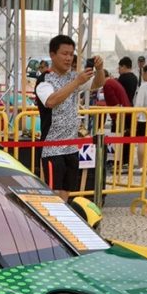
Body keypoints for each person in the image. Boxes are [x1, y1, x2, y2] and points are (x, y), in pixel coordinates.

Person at [34, 34, 105, 199]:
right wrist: (76, 82)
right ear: (52, 55)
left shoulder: (74, 76)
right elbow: (51, 101)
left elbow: (98, 84)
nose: (68, 58)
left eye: (71, 54)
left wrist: (99, 69)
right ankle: (51, 223)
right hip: (52, 147)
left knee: (66, 192)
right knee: (54, 192)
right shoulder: (45, 79)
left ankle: (63, 222)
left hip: (71, 145)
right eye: (64, 54)